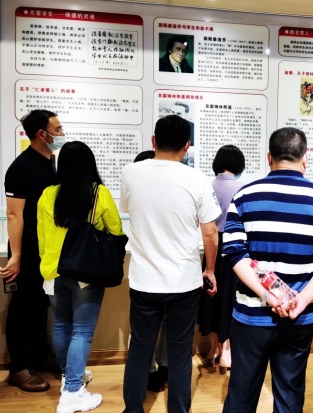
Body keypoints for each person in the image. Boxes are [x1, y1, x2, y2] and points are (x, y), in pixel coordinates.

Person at [221, 127, 313, 413]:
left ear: (269, 157)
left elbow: (234, 252)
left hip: (251, 315)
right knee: (290, 397)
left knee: (240, 396)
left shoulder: (245, 196)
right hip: (299, 316)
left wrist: (268, 296)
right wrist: (302, 299)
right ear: (305, 158)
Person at [120, 114, 220, 413]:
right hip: (184, 282)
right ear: (187, 146)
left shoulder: (130, 173)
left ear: (153, 141)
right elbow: (210, 233)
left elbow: (129, 209)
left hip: (143, 281)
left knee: (140, 348)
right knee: (179, 352)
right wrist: (210, 270)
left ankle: (132, 409)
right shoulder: (196, 178)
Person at [37, 141, 123, 413]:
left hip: (52, 271)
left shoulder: (47, 195)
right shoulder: (98, 193)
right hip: (85, 272)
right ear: (90, 164)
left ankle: (69, 378)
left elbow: (41, 238)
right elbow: (116, 231)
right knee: (82, 331)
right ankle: (73, 391)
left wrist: (48, 262)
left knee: (61, 325)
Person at [0, 109, 65, 392]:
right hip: (25, 249)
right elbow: (14, 214)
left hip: (45, 249)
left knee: (41, 305)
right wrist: (16, 256)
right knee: (22, 307)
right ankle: (19, 368)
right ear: (42, 134)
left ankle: (39, 356)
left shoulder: (51, 161)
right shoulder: (21, 167)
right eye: (58, 129)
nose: (61, 134)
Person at [197, 145, 246, 374]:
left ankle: (212, 348)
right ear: (238, 164)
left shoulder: (207, 186)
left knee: (211, 297)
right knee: (230, 297)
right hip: (234, 248)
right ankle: (227, 350)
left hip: (211, 247)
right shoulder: (242, 188)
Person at [133, 149, 169, 392]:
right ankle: (156, 370)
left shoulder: (139, 195)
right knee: (159, 326)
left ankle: (155, 370)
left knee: (146, 329)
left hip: (147, 276)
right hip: (162, 276)